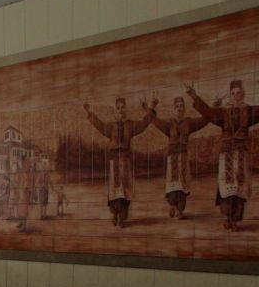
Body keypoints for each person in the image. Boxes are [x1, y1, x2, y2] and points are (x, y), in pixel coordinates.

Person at [187, 80, 259, 230]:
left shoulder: (250, 110)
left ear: (243, 94)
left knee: (239, 187)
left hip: (241, 153)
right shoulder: (223, 112)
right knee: (227, 187)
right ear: (230, 94)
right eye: (233, 93)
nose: (236, 96)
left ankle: (235, 219)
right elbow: (207, 112)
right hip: (226, 154)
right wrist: (194, 96)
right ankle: (227, 217)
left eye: (239, 93)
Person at [83, 97, 151, 228]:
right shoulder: (111, 127)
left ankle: (122, 216)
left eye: (122, 107)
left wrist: (150, 109)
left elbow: (144, 123)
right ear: (115, 110)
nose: (120, 110)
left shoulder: (131, 125)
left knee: (125, 190)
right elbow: (99, 125)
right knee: (114, 191)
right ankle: (115, 214)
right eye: (118, 107)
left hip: (125, 161)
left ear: (126, 109)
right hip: (114, 161)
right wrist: (89, 112)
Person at [147, 96, 209, 219]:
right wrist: (152, 107)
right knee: (172, 184)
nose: (179, 108)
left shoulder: (189, 122)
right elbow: (153, 120)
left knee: (182, 185)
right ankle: (172, 205)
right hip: (172, 158)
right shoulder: (169, 124)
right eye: (177, 106)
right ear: (173, 109)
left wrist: (213, 107)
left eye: (181, 106)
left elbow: (205, 120)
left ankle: (180, 210)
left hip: (183, 157)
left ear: (184, 108)